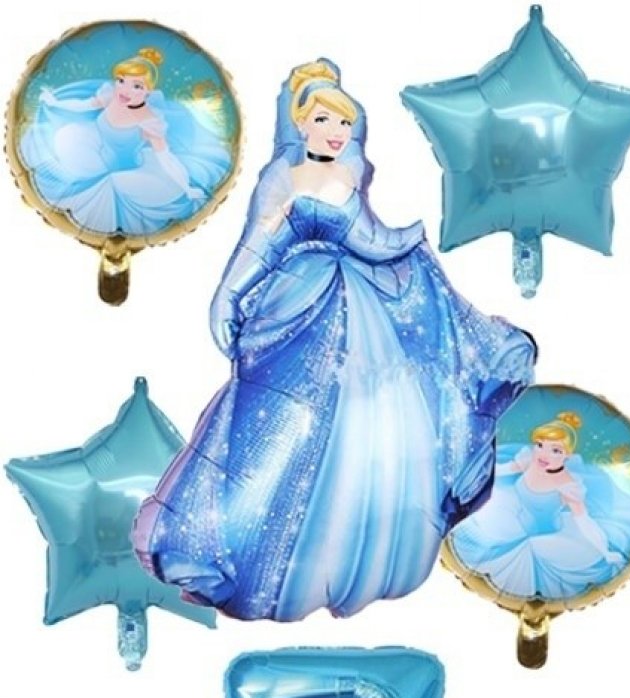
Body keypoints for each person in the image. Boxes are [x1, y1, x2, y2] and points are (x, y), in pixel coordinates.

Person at [133, 59, 537, 621]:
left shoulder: (347, 174)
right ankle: (229, 546)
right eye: (324, 120)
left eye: (344, 123)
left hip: (352, 309)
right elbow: (259, 245)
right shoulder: (283, 178)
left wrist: (406, 241)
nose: (336, 132)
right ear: (301, 123)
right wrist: (227, 294)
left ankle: (333, 552)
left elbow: (369, 239)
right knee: (275, 431)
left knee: (362, 426)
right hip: (297, 309)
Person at [20, 47, 231, 236]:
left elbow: (166, 159)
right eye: (121, 81)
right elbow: (83, 105)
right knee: (67, 136)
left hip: (127, 167)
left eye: (137, 86)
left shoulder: (149, 121)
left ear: (148, 91)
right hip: (95, 153)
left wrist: (186, 187)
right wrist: (55, 102)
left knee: (112, 186)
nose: (125, 90)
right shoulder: (110, 97)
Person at [449, 411, 630, 600]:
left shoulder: (568, 486)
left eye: (555, 450)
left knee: (527, 553)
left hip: (545, 532)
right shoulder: (529, 461)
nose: (544, 454)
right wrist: (469, 474)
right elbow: (499, 470)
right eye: (540, 445)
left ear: (567, 455)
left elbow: (584, 522)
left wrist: (605, 551)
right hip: (515, 518)